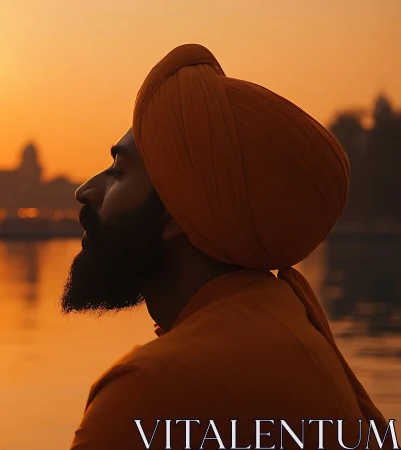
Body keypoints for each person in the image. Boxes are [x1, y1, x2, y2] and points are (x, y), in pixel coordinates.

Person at [62, 44, 387, 449]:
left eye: (119, 172)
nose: (85, 190)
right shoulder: (285, 317)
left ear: (181, 214)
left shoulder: (151, 393)